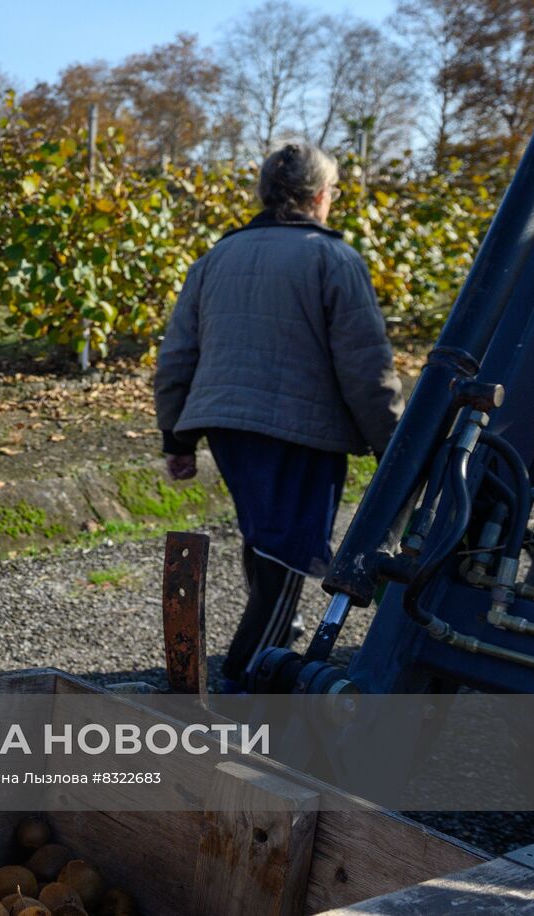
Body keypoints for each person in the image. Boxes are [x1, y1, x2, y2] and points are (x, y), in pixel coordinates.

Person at [153, 142, 404, 691]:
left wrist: (176, 437)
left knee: (266, 541)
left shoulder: (216, 257)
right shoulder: (332, 257)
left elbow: (178, 353)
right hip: (299, 428)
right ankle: (249, 675)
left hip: (227, 425)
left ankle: (273, 640)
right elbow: (365, 365)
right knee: (287, 553)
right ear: (319, 196)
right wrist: (394, 445)